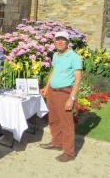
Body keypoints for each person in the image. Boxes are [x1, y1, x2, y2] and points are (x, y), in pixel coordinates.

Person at [40, 30, 82, 162]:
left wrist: (72, 98)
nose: (59, 41)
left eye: (62, 39)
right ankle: (57, 143)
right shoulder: (56, 55)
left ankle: (69, 152)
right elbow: (54, 70)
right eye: (57, 39)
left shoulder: (74, 57)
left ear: (67, 42)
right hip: (53, 92)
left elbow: (78, 79)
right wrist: (47, 87)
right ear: (54, 41)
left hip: (65, 93)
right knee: (53, 119)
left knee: (66, 123)